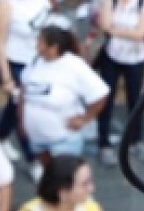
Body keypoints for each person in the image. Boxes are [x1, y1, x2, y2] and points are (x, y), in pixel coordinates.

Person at [94, 0, 144, 166]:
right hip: (112, 55)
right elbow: (104, 24)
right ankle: (103, 142)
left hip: (135, 58)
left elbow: (141, 33)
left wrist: (116, 30)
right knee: (106, 98)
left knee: (135, 98)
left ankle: (135, 140)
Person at [19, 25, 108, 167]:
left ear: (53, 47)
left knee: (64, 178)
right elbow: (23, 93)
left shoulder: (74, 65)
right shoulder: (35, 62)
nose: (36, 45)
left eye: (40, 42)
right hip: (37, 138)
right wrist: (22, 121)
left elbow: (100, 94)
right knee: (49, 175)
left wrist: (85, 118)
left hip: (64, 139)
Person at [0, 0, 52, 163]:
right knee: (23, 111)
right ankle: (33, 159)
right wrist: (7, 78)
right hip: (17, 61)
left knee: (14, 107)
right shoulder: (6, 3)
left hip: (41, 60)